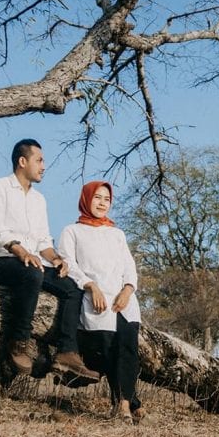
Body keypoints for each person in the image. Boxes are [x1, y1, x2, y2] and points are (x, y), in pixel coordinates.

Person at [0, 138, 99, 385]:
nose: (44, 166)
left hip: (34, 263)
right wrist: (20, 251)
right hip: (3, 260)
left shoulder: (39, 200)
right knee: (32, 273)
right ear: (22, 161)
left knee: (71, 287)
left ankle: (67, 353)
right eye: (40, 160)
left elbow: (44, 241)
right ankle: (18, 342)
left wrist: (57, 259)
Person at [59, 181, 144, 423]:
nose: (102, 203)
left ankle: (124, 405)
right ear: (86, 199)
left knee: (128, 349)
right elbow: (69, 265)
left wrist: (128, 289)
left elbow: (129, 265)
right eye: (97, 197)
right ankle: (129, 399)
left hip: (123, 300)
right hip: (94, 298)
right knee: (107, 350)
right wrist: (91, 285)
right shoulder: (72, 231)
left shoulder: (117, 234)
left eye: (106, 199)